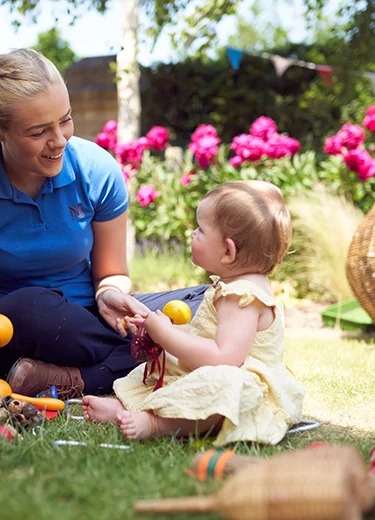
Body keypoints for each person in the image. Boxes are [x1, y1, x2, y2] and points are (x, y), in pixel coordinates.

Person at [0, 48, 208, 399]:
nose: (59, 140)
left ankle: (65, 377)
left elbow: (111, 273)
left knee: (211, 301)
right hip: (15, 330)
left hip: (89, 321)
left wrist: (110, 293)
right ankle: (154, 350)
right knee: (30, 306)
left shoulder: (96, 169)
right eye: (38, 131)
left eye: (65, 120)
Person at [82, 180, 305, 445]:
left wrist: (165, 333)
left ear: (228, 251)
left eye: (200, 230)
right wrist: (165, 328)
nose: (192, 234)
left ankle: (157, 422)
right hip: (222, 368)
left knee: (220, 383)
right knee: (166, 365)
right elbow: (206, 333)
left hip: (242, 387)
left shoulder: (242, 297)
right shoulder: (234, 286)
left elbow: (224, 359)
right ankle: (126, 407)